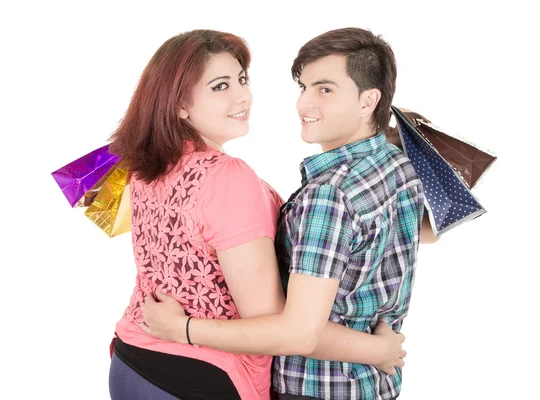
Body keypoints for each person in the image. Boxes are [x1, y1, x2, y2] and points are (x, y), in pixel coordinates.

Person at [107, 29, 410, 400]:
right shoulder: (230, 178)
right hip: (199, 376)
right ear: (180, 104)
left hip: (129, 357)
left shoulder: (142, 166)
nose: (242, 96)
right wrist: (377, 350)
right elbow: (288, 329)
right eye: (220, 86)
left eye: (242, 79)